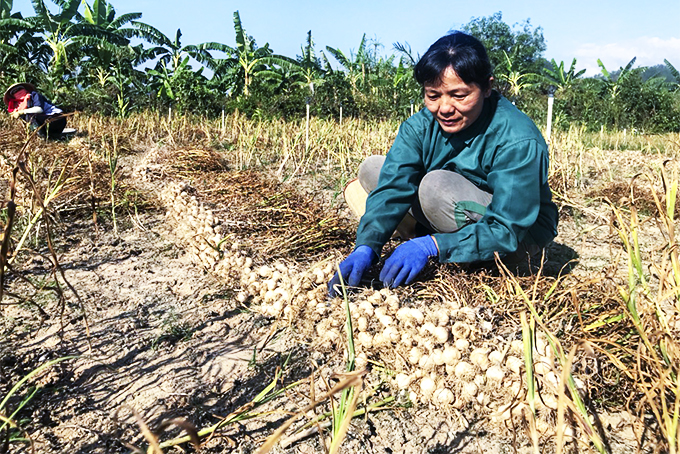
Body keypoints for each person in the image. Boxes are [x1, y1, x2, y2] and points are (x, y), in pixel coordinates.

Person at [328, 31, 558, 296]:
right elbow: (392, 188)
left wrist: (432, 247)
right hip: (451, 207)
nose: (444, 108)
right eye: (433, 95)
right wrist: (366, 246)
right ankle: (428, 239)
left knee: (435, 186)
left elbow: (507, 229)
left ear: (486, 87)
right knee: (372, 169)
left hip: (516, 235)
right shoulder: (420, 126)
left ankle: (455, 251)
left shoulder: (517, 140)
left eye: (459, 95)